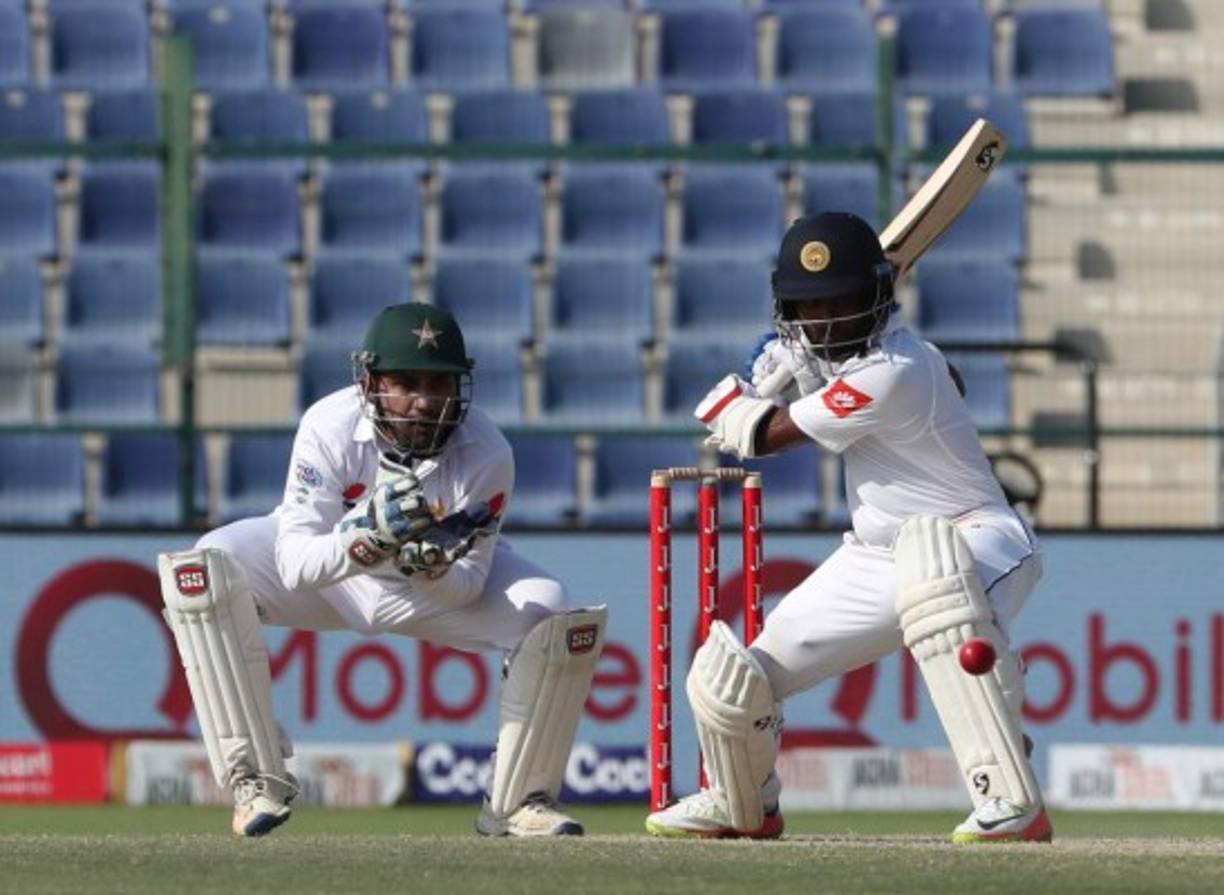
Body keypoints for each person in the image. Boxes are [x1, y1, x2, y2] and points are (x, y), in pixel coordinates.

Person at [645, 212, 1049, 843]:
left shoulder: (899, 367)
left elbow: (762, 437)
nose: (826, 319)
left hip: (978, 536)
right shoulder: (851, 366)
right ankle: (742, 801)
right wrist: (796, 371)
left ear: (878, 297)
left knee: (936, 587)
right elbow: (821, 390)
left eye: (842, 301)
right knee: (737, 683)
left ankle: (1008, 795)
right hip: (874, 556)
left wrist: (738, 397)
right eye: (811, 306)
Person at [158, 303, 606, 838]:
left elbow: (467, 586)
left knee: (553, 611)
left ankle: (520, 803)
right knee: (208, 567)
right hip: (333, 576)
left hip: (424, 592)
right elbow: (296, 564)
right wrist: (367, 538)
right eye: (406, 383)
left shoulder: (488, 454)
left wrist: (431, 569)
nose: (423, 402)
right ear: (370, 382)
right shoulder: (328, 425)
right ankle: (255, 780)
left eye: (439, 384)